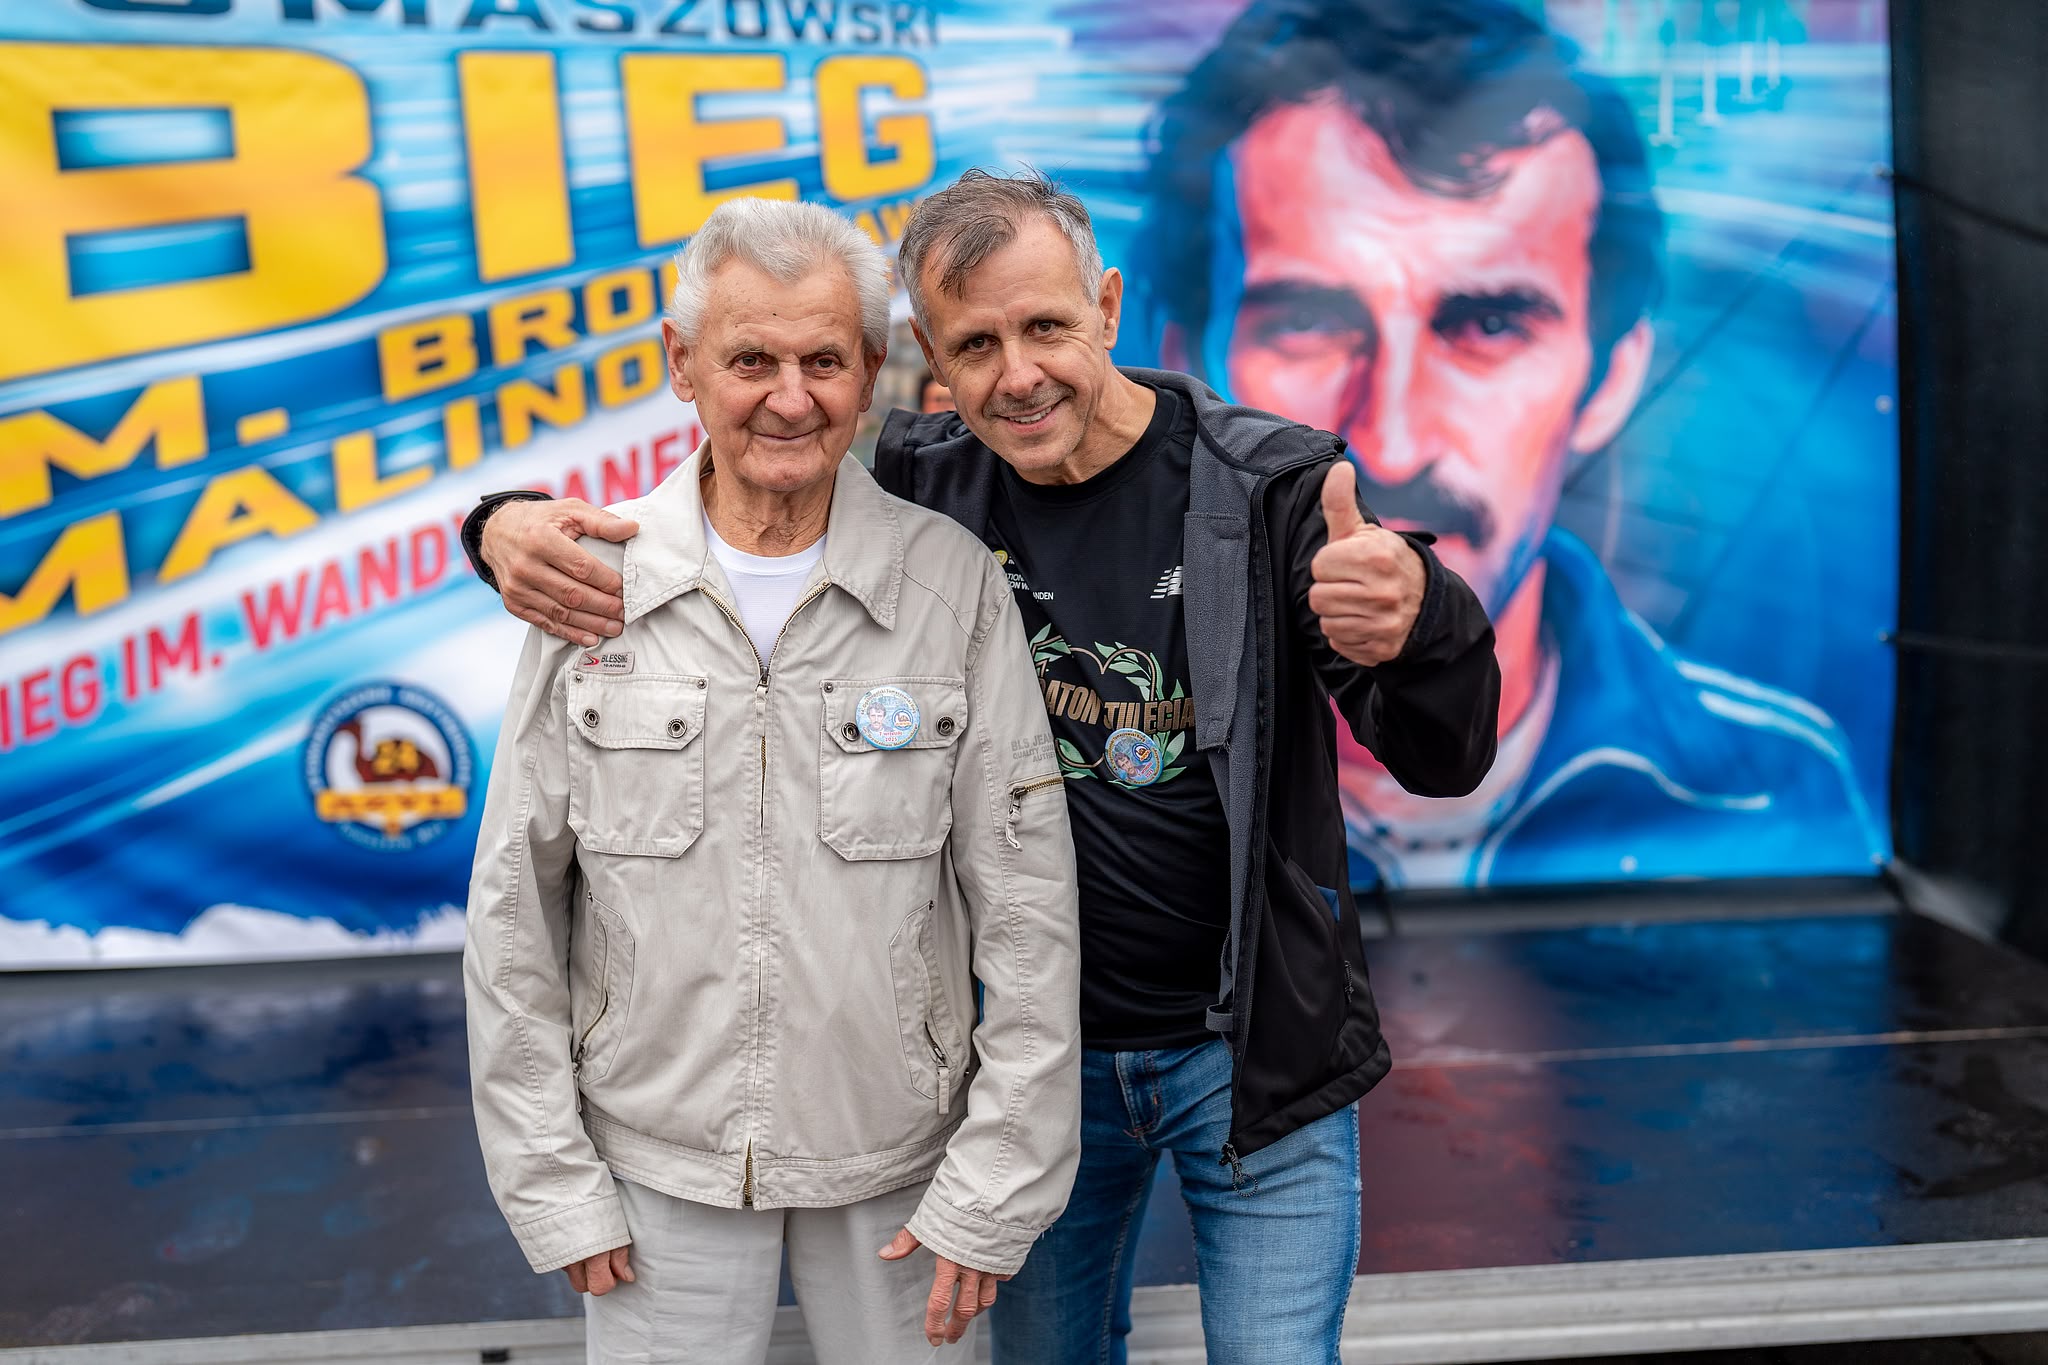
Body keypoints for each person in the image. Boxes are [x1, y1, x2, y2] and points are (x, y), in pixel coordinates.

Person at [463, 170, 1501, 1364]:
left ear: (1105, 307)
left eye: (1046, 326)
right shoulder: (925, 486)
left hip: (1248, 1062)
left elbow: (1441, 754)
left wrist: (1421, 623)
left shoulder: (1269, 491)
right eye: (974, 344)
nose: (1017, 375)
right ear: (926, 361)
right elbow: (743, 485)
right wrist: (497, 525)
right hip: (1026, 1072)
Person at [460, 197, 1082, 1364]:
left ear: (871, 374)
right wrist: (552, 1180)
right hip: (653, 1173)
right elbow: (512, 911)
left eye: (823, 362)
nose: (790, 399)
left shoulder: (947, 585)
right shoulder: (590, 586)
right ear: (681, 364)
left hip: (903, 1169)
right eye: (751, 360)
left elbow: (1027, 910)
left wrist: (993, 1184)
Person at [1136, 0, 1886, 889]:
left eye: (1488, 325)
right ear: (1189, 368)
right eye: (1306, 322)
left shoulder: (1774, 798)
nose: (1393, 442)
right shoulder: (1073, 766)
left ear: (1610, 379)